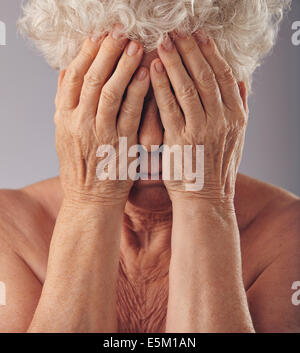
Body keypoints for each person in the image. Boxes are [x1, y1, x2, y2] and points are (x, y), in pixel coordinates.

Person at [0, 0, 299, 333]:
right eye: (125, 101)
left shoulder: (289, 237)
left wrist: (204, 202)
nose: (152, 138)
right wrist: (90, 202)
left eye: (181, 102)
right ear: (70, 101)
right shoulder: (8, 232)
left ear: (234, 108)